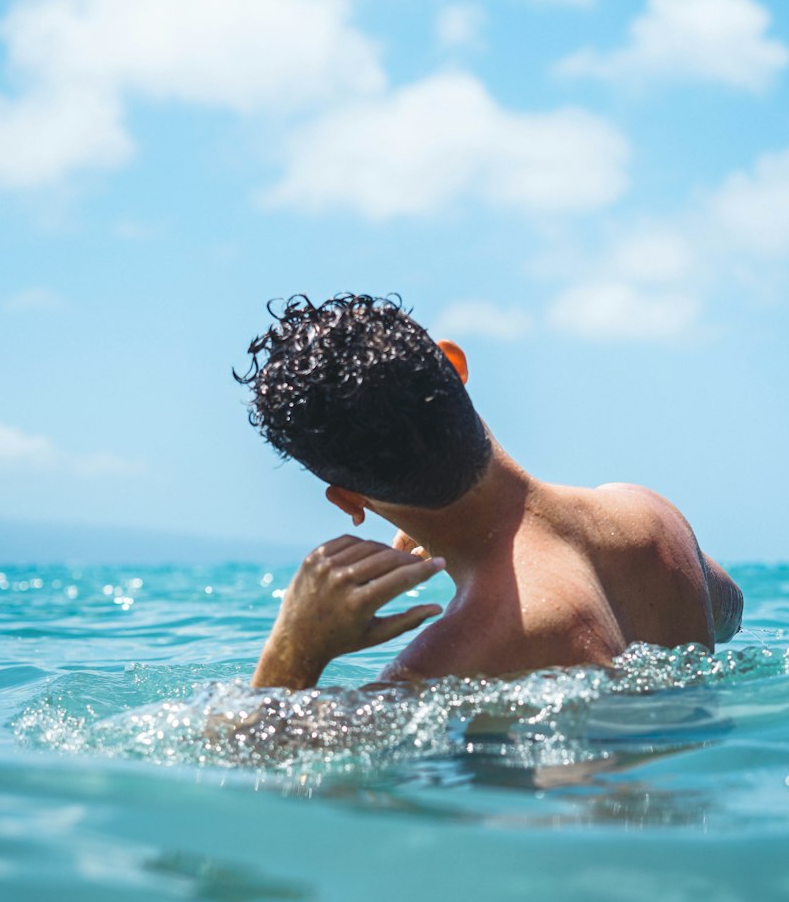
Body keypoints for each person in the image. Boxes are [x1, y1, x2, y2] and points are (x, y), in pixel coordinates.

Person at [235, 294, 742, 690]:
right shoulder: (648, 515)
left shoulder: (448, 659)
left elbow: (256, 760)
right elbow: (728, 613)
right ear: (456, 366)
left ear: (347, 499)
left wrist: (295, 648)